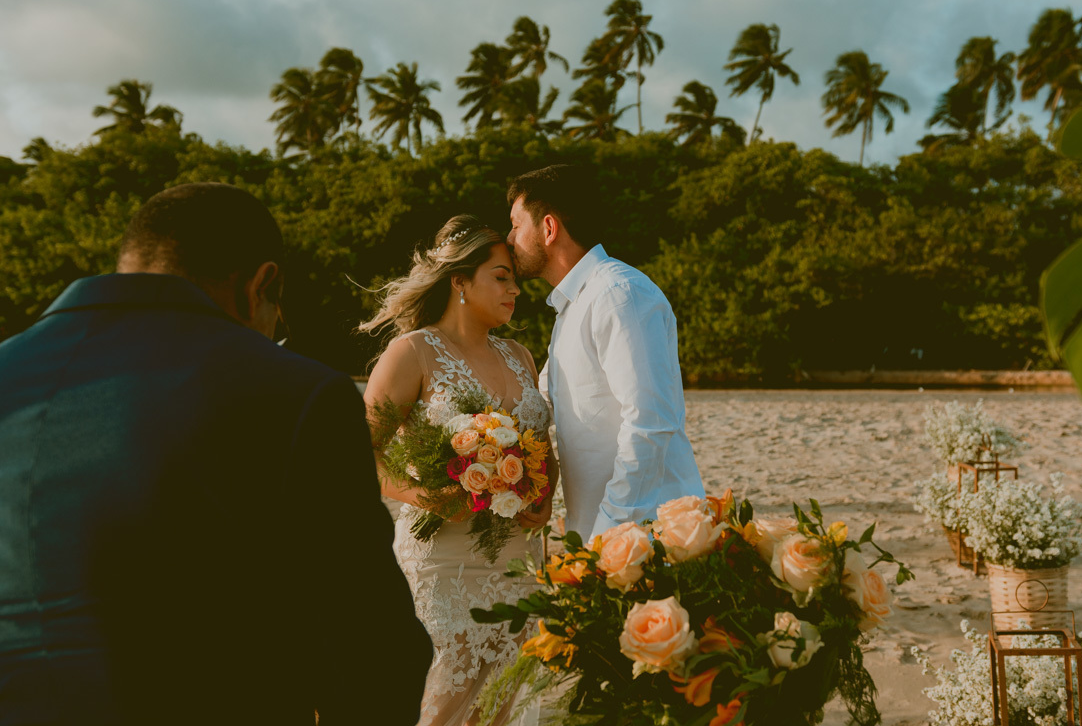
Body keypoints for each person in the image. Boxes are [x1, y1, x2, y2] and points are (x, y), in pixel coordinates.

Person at [0, 183, 430, 725]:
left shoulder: (11, 371)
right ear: (261, 284)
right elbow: (372, 648)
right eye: (278, 315)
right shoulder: (293, 393)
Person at [360, 214, 555, 726]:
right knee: (441, 704)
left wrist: (544, 494)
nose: (515, 290)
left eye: (515, 279)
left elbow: (542, 449)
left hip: (518, 562)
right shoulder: (412, 353)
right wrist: (422, 495)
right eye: (501, 277)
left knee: (502, 706)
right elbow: (355, 452)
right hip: (444, 565)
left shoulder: (520, 356)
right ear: (460, 281)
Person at [505, 164, 705, 541]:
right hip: (600, 532)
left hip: (646, 534)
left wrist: (612, 527)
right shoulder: (574, 306)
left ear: (548, 228)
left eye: (516, 225)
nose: (510, 238)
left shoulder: (619, 295)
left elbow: (649, 422)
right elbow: (541, 404)